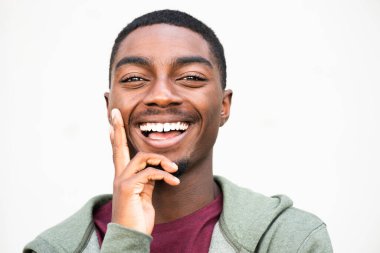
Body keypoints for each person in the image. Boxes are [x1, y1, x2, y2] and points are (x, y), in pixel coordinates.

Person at [24, 9, 333, 253]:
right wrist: (126, 240)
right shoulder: (52, 248)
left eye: (191, 77)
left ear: (224, 106)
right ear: (109, 107)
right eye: (134, 79)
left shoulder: (292, 239)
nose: (161, 95)